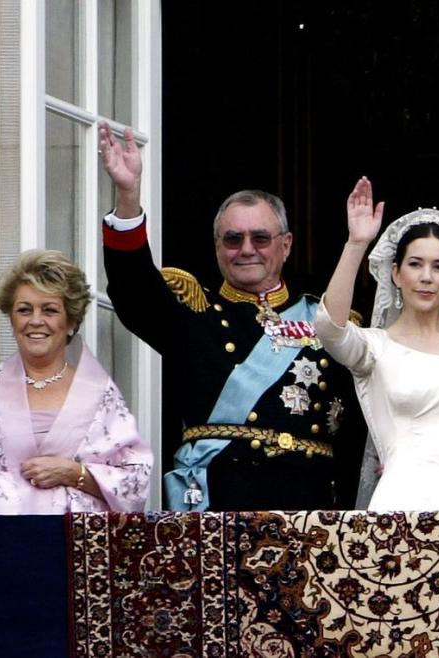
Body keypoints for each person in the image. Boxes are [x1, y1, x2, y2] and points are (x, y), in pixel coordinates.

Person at [97, 123, 365, 511]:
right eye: (233, 239)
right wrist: (127, 195)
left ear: (285, 245)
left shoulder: (328, 321)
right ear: (217, 246)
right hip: (218, 499)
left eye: (260, 238)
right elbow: (132, 287)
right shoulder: (192, 314)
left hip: (309, 504)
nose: (246, 249)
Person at [313, 177, 439, 510]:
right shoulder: (374, 348)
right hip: (397, 507)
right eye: (415, 264)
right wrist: (356, 244)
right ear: (395, 273)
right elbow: (330, 329)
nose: (426, 277)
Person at [0, 250, 152, 514]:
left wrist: (74, 473)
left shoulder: (99, 395)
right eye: (24, 310)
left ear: (70, 321)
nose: (35, 320)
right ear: (12, 319)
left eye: (50, 310)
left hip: (78, 548)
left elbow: (135, 483)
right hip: (5, 546)